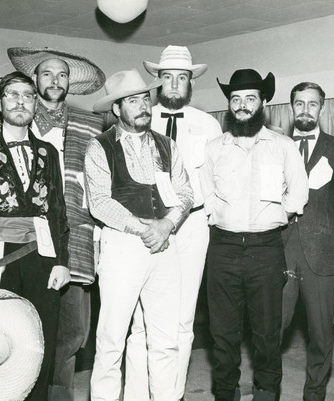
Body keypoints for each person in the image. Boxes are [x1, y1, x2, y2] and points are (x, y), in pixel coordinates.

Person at [0, 71, 70, 401]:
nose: (20, 102)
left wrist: (62, 262)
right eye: (12, 95)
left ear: (36, 104)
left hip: (42, 257)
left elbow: (57, 211)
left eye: (27, 95)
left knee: (39, 342)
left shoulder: (47, 152)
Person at [200, 69, 309, 401]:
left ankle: (266, 394)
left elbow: (299, 195)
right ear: (230, 105)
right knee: (223, 334)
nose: (242, 105)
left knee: (266, 334)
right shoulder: (214, 148)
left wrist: (274, 215)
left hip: (265, 249)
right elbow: (207, 196)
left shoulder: (283, 147)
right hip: (223, 248)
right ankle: (225, 395)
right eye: (236, 99)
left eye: (250, 98)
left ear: (263, 102)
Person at [85, 69, 194, 401]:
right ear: (117, 109)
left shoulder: (167, 145)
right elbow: (100, 202)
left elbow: (185, 194)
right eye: (133, 101)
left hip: (165, 245)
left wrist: (167, 225)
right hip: (123, 246)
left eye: (145, 98)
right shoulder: (99, 146)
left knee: (165, 340)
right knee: (111, 340)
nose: (143, 106)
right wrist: (145, 228)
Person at [124, 45, 223, 401]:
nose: (175, 84)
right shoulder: (137, 117)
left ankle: (172, 394)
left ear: (191, 83)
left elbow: (215, 180)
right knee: (140, 322)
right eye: (168, 77)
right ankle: (136, 395)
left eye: (182, 78)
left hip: (191, 226)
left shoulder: (207, 124)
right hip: (146, 226)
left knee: (182, 320)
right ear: (158, 81)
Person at [7, 47, 105, 397]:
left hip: (76, 237)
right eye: (47, 74)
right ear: (35, 79)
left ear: (70, 83)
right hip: (25, 238)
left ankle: (58, 394)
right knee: (22, 323)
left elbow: (101, 184)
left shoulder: (92, 124)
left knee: (71, 330)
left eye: (62, 75)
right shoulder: (15, 119)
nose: (54, 81)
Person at [281, 82, 334, 401]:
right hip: (280, 250)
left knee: (319, 332)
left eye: (312, 104)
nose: (305, 110)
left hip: (322, 253)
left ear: (322, 108)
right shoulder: (276, 146)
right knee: (273, 326)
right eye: (299, 104)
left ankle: (314, 394)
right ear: (291, 108)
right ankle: (267, 387)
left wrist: (331, 235)